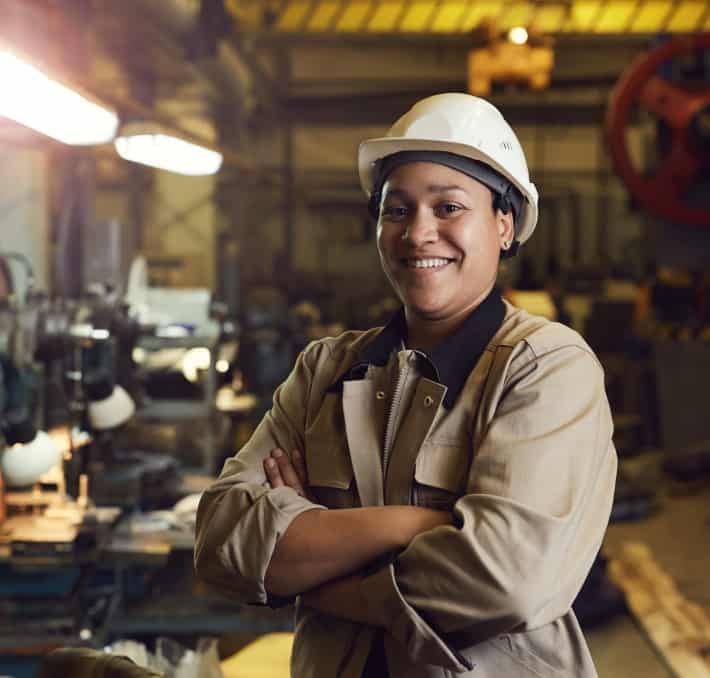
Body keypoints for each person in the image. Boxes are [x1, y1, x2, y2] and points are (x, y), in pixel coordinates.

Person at [195, 93, 617, 677]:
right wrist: (413, 523)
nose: (418, 233)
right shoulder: (326, 369)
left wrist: (316, 571)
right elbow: (221, 544)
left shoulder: (544, 367)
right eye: (397, 209)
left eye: (448, 207)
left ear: (504, 224)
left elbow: (506, 581)